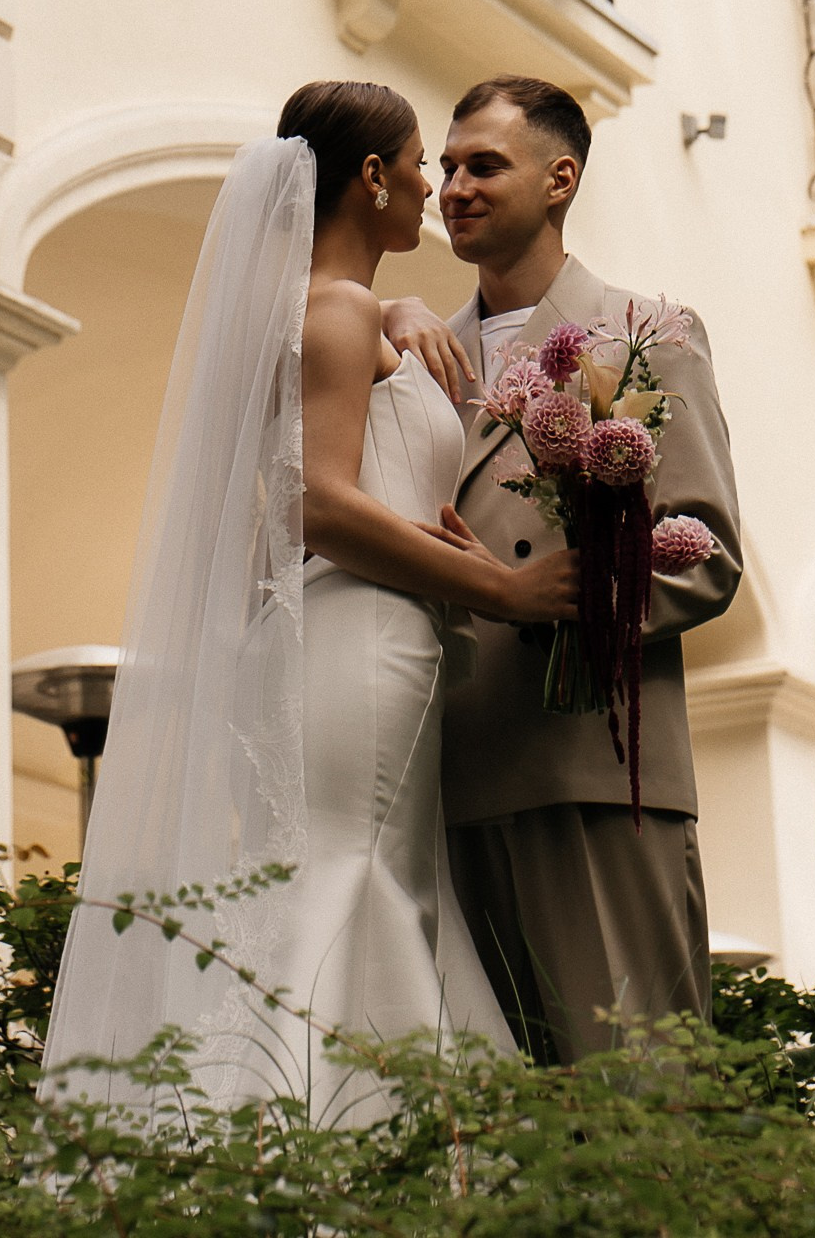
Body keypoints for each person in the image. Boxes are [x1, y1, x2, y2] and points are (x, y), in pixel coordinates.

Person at [39, 81, 577, 1125]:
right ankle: (318, 1149)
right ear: (371, 177)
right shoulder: (331, 311)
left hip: (359, 641)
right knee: (351, 881)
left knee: (361, 881)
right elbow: (311, 505)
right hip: (357, 639)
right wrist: (502, 587)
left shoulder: (338, 309)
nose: (434, 183)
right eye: (422, 161)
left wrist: (399, 309)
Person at [383, 74, 742, 1063]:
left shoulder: (649, 334)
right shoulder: (409, 357)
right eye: (445, 166)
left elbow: (703, 553)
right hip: (445, 772)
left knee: (632, 1095)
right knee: (498, 1128)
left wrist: (564, 604)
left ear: (559, 177)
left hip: (593, 766)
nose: (453, 185)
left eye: (483, 165)